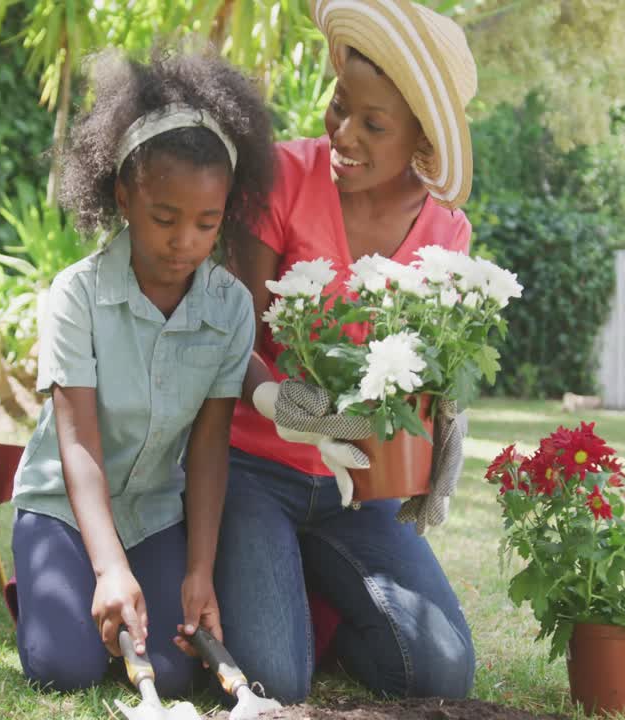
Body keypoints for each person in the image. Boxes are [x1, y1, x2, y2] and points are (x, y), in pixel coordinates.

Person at [215, 0, 479, 703]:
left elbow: (427, 369)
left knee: (442, 673)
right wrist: (285, 402)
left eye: (374, 124)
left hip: (357, 487)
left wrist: (444, 427)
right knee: (278, 676)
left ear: (421, 141)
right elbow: (231, 336)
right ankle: (278, 582)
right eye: (340, 107)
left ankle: (311, 591)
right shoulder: (284, 177)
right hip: (253, 468)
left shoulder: (446, 234)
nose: (343, 132)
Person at [9, 47, 275, 695]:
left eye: (206, 223)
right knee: (63, 667)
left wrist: (199, 569)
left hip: (155, 509)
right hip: (63, 506)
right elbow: (78, 441)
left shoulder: (230, 307)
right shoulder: (76, 295)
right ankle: (47, 592)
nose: (184, 240)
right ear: (124, 196)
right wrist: (107, 570)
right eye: (164, 218)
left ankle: (98, 595)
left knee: (181, 671)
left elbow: (211, 444)